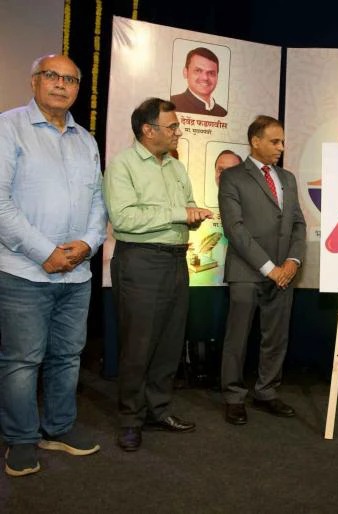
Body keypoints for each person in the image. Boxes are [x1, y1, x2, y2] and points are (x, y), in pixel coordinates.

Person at [0, 54, 107, 477]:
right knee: (22, 361)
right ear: (34, 82)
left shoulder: (86, 140)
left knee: (67, 355)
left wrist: (88, 243)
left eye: (71, 79)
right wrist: (45, 251)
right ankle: (21, 438)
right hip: (24, 271)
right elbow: (1, 204)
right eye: (52, 76)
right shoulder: (9, 127)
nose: (62, 84)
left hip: (77, 273)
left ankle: (58, 428)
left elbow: (98, 202)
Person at [103, 97, 214, 451]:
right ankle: (130, 419)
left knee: (169, 342)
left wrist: (193, 216)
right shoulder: (122, 165)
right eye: (173, 126)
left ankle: (159, 410)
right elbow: (123, 219)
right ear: (148, 131)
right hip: (140, 262)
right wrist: (179, 213)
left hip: (176, 261)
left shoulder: (176, 167)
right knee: (138, 346)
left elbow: (186, 206)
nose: (179, 132)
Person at [219, 115, 306, 425]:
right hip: (247, 271)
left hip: (284, 273)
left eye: (282, 141)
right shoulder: (232, 177)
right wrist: (270, 269)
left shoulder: (288, 178)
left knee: (276, 337)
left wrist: (292, 262)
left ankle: (267, 391)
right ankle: (233, 397)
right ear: (255, 142)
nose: (281, 147)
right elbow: (235, 229)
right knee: (238, 338)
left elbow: (298, 224)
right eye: (274, 141)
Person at [170, 47, 227, 117]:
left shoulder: (223, 113)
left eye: (211, 73)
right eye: (198, 71)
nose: (205, 78)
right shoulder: (171, 105)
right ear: (185, 72)